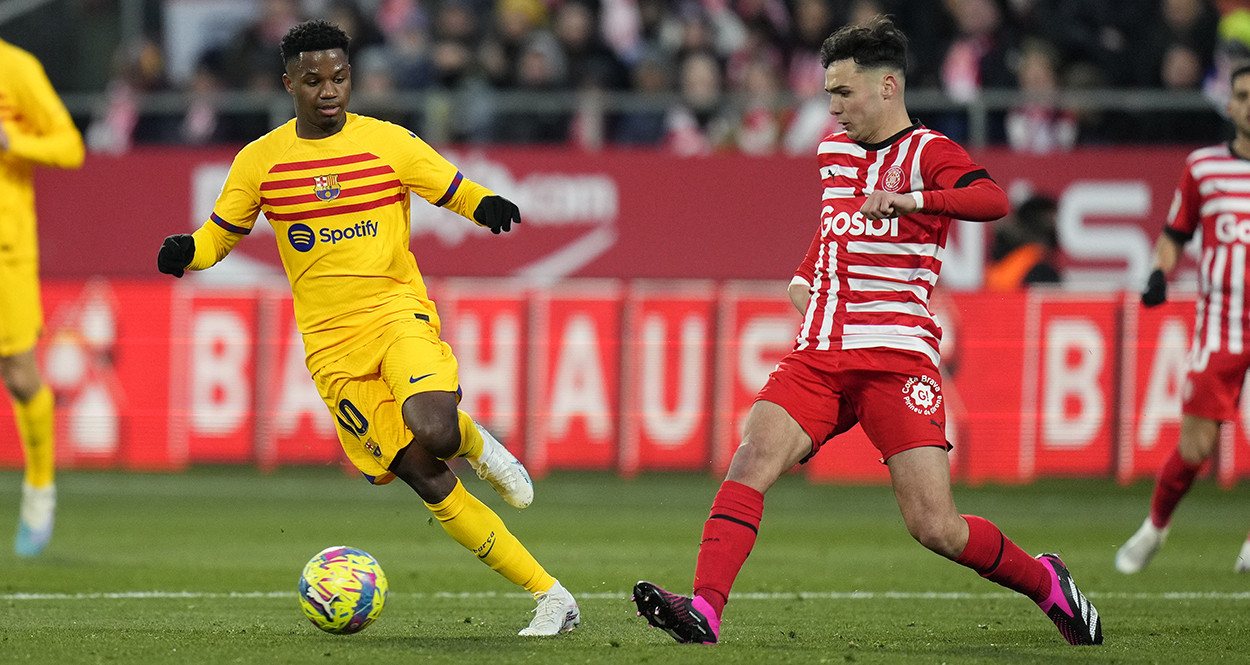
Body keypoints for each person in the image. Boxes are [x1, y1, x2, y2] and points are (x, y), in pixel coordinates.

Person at [632, 16, 1103, 647]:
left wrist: (917, 201)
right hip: (821, 351)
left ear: (887, 87)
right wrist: (804, 274)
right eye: (828, 93)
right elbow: (834, 228)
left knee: (936, 526)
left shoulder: (930, 153)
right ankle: (706, 611)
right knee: (751, 459)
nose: (833, 107)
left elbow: (992, 200)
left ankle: (1047, 583)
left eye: (844, 92)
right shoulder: (832, 152)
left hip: (895, 357)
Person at [155, 20, 579, 636]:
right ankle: (552, 596)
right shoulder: (261, 162)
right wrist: (184, 252)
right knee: (424, 473)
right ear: (289, 84)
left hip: (395, 314)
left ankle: (477, 443)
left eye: (340, 77)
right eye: (313, 80)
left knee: (433, 426)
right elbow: (219, 236)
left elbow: (451, 187)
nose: (329, 90)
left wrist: (485, 205)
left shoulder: (388, 142)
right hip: (331, 350)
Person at [1116, 63, 1250, 576]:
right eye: (1242, 94)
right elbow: (1175, 233)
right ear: (1230, 105)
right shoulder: (1204, 168)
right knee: (1194, 448)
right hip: (1221, 326)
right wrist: (1158, 274)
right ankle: (1155, 527)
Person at [0, 38, 85, 557]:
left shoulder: (15, 68)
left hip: (5, 248)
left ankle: (38, 486)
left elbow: (69, 146)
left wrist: (13, 142)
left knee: (19, 372)